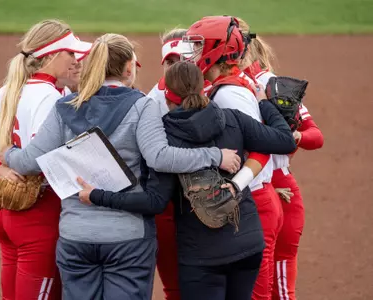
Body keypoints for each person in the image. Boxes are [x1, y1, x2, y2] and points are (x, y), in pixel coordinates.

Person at [0, 33, 240, 300]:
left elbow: (29, 161)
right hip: (128, 237)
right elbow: (160, 157)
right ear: (128, 69)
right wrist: (214, 156)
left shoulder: (64, 107)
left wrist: (6, 153)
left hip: (76, 236)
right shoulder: (141, 105)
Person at [76, 61, 297, 300]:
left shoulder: (166, 138)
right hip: (247, 244)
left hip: (201, 257)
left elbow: (154, 203)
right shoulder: (233, 119)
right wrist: (264, 102)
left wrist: (98, 195)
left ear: (167, 96)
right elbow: (285, 140)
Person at [0, 19, 92, 300]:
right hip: (40, 218)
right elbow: (51, 164)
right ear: (50, 56)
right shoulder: (52, 98)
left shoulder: (7, 91)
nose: (77, 61)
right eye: (71, 54)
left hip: (6, 216)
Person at [182, 15, 292, 300]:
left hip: (254, 202)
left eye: (198, 46)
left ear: (217, 50)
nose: (192, 53)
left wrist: (237, 183)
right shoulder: (229, 87)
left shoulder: (229, 95)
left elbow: (263, 146)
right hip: (253, 200)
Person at [237, 17, 324, 300]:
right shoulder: (219, 86)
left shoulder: (273, 86)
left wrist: (291, 136)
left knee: (279, 280)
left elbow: (315, 135)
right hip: (249, 191)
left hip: (277, 190)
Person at [147, 27, 191, 300]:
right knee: (175, 287)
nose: (176, 69)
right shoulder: (152, 101)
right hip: (168, 204)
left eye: (183, 62)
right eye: (170, 63)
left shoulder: (211, 92)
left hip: (198, 205)